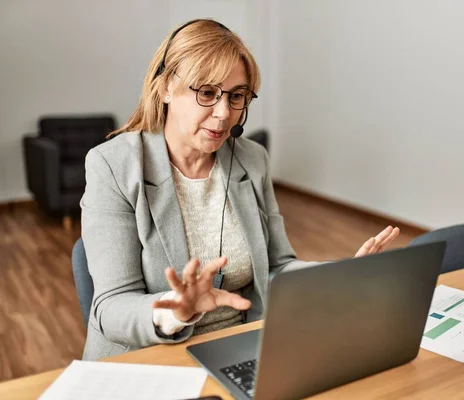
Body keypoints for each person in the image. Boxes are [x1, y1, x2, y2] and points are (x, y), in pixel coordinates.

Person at [80, 19, 400, 361]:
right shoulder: (112, 165)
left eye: (237, 96)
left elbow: (277, 266)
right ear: (165, 88)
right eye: (206, 93)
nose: (223, 114)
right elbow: (110, 307)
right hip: (151, 358)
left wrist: (336, 275)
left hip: (243, 346)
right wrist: (175, 311)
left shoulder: (252, 159)